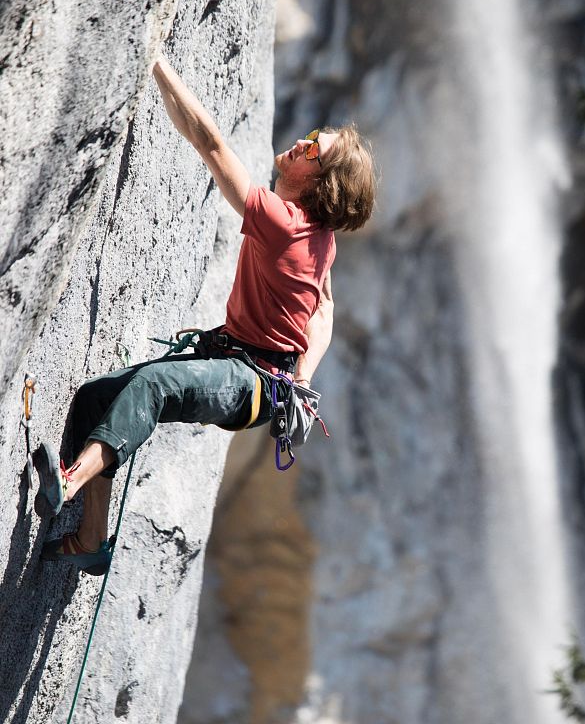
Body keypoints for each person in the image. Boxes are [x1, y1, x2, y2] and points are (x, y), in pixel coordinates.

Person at [35, 55, 376, 575]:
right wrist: (305, 379)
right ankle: (91, 539)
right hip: (257, 370)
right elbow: (324, 308)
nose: (302, 143)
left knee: (154, 388)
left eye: (313, 149)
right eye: (311, 136)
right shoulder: (320, 239)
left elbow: (210, 144)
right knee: (93, 399)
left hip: (252, 381)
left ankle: (71, 480)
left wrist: (152, 59)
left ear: (317, 182)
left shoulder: (285, 224)